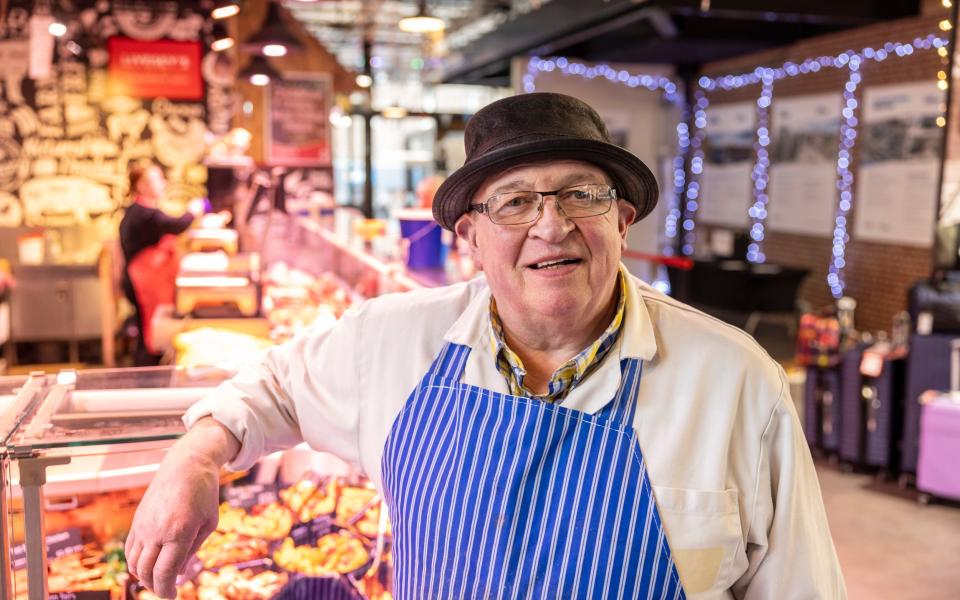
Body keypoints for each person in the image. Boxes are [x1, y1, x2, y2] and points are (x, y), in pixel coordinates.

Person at [126, 93, 846, 598]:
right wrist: (195, 457)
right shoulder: (394, 340)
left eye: (580, 195)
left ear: (623, 221)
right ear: (469, 238)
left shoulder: (733, 381)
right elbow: (272, 387)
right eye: (514, 202)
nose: (551, 226)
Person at [119, 161, 197, 366]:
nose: (162, 183)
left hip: (145, 280)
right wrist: (194, 210)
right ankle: (145, 380)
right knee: (150, 334)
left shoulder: (142, 210)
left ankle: (147, 375)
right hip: (142, 282)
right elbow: (177, 224)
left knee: (149, 331)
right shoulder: (143, 213)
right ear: (142, 185)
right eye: (156, 179)